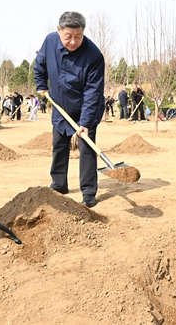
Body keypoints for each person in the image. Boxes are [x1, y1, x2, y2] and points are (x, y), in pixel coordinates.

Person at [34, 11, 106, 208]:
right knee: (59, 145)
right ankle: (59, 185)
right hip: (60, 105)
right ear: (59, 31)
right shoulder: (49, 42)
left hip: (86, 107)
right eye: (68, 36)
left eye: (78, 36)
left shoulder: (93, 55)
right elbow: (39, 65)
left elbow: (93, 92)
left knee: (87, 148)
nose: (73, 41)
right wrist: (41, 85)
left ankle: (89, 192)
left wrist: (85, 123)